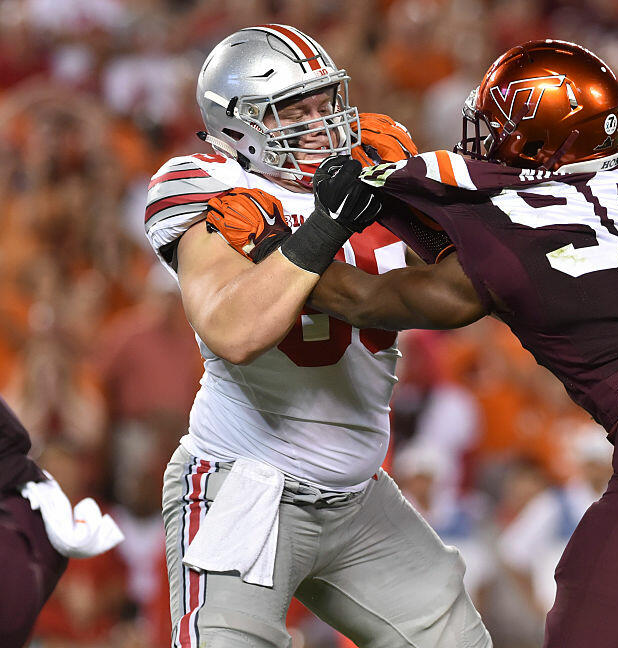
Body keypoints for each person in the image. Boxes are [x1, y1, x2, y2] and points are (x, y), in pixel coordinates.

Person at [221, 40, 618, 648]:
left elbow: (365, 299)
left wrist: (282, 245)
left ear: (536, 137)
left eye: (498, 124)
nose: (482, 138)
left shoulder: (508, 230)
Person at [144, 24, 490, 648]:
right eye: (291, 110)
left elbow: (459, 287)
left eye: (325, 101)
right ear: (238, 124)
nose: (320, 122)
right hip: (247, 484)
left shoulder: (368, 170)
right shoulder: (211, 190)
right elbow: (234, 331)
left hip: (360, 496)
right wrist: (328, 223)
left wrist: (409, 202)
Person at [0, 396, 123, 647]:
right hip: (40, 637)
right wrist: (64, 591)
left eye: (68, 465)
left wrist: (98, 601)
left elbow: (122, 583)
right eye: (56, 465)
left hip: (97, 635)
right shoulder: (24, 512)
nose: (63, 472)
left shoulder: (98, 516)